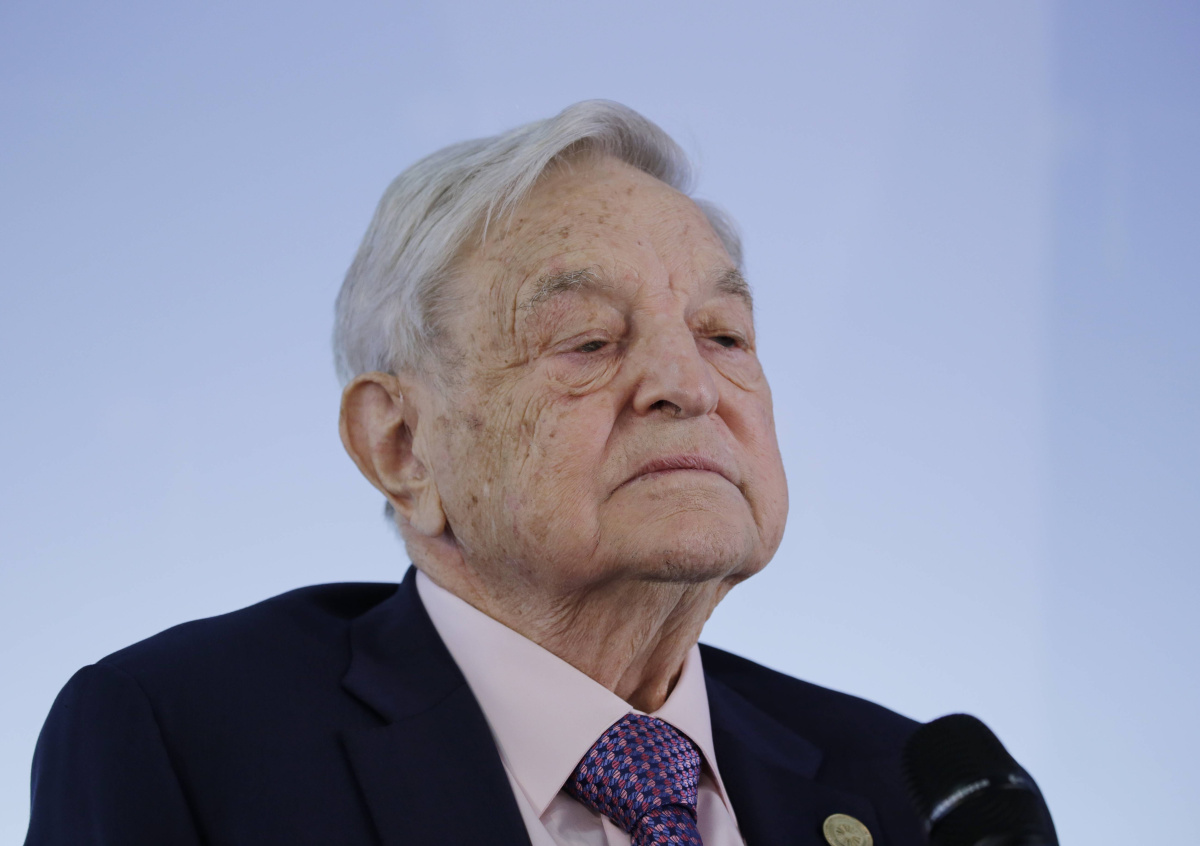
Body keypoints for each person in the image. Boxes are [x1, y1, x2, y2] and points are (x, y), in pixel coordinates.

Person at [25, 101, 926, 846]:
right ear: (401, 446)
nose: (689, 386)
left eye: (724, 336)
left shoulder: (915, 786)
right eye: (589, 341)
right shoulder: (183, 739)